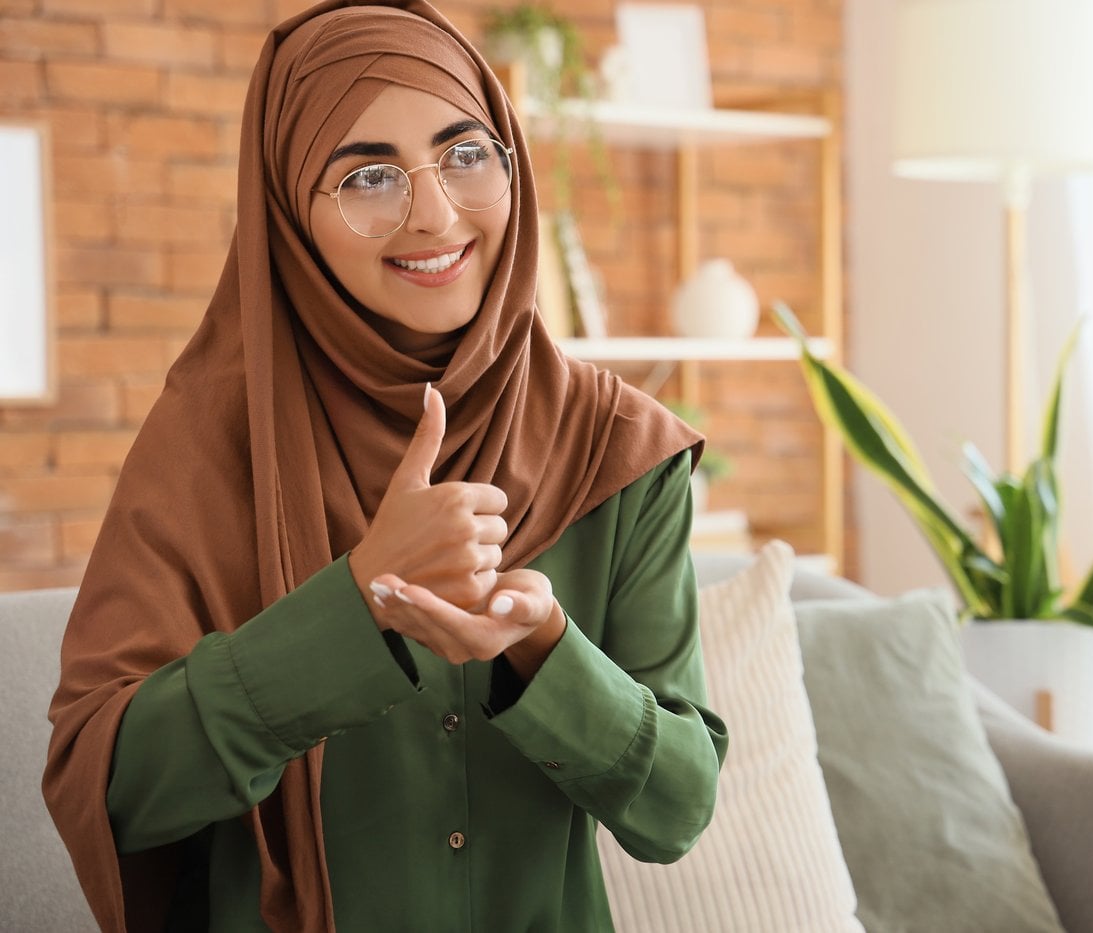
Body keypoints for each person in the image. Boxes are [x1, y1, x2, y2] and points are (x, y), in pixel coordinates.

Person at [42, 2, 727, 930]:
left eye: (467, 153)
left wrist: (545, 650)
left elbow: (678, 809)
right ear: (289, 212)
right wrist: (357, 599)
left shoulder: (620, 449)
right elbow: (107, 787)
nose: (435, 214)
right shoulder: (209, 445)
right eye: (367, 175)